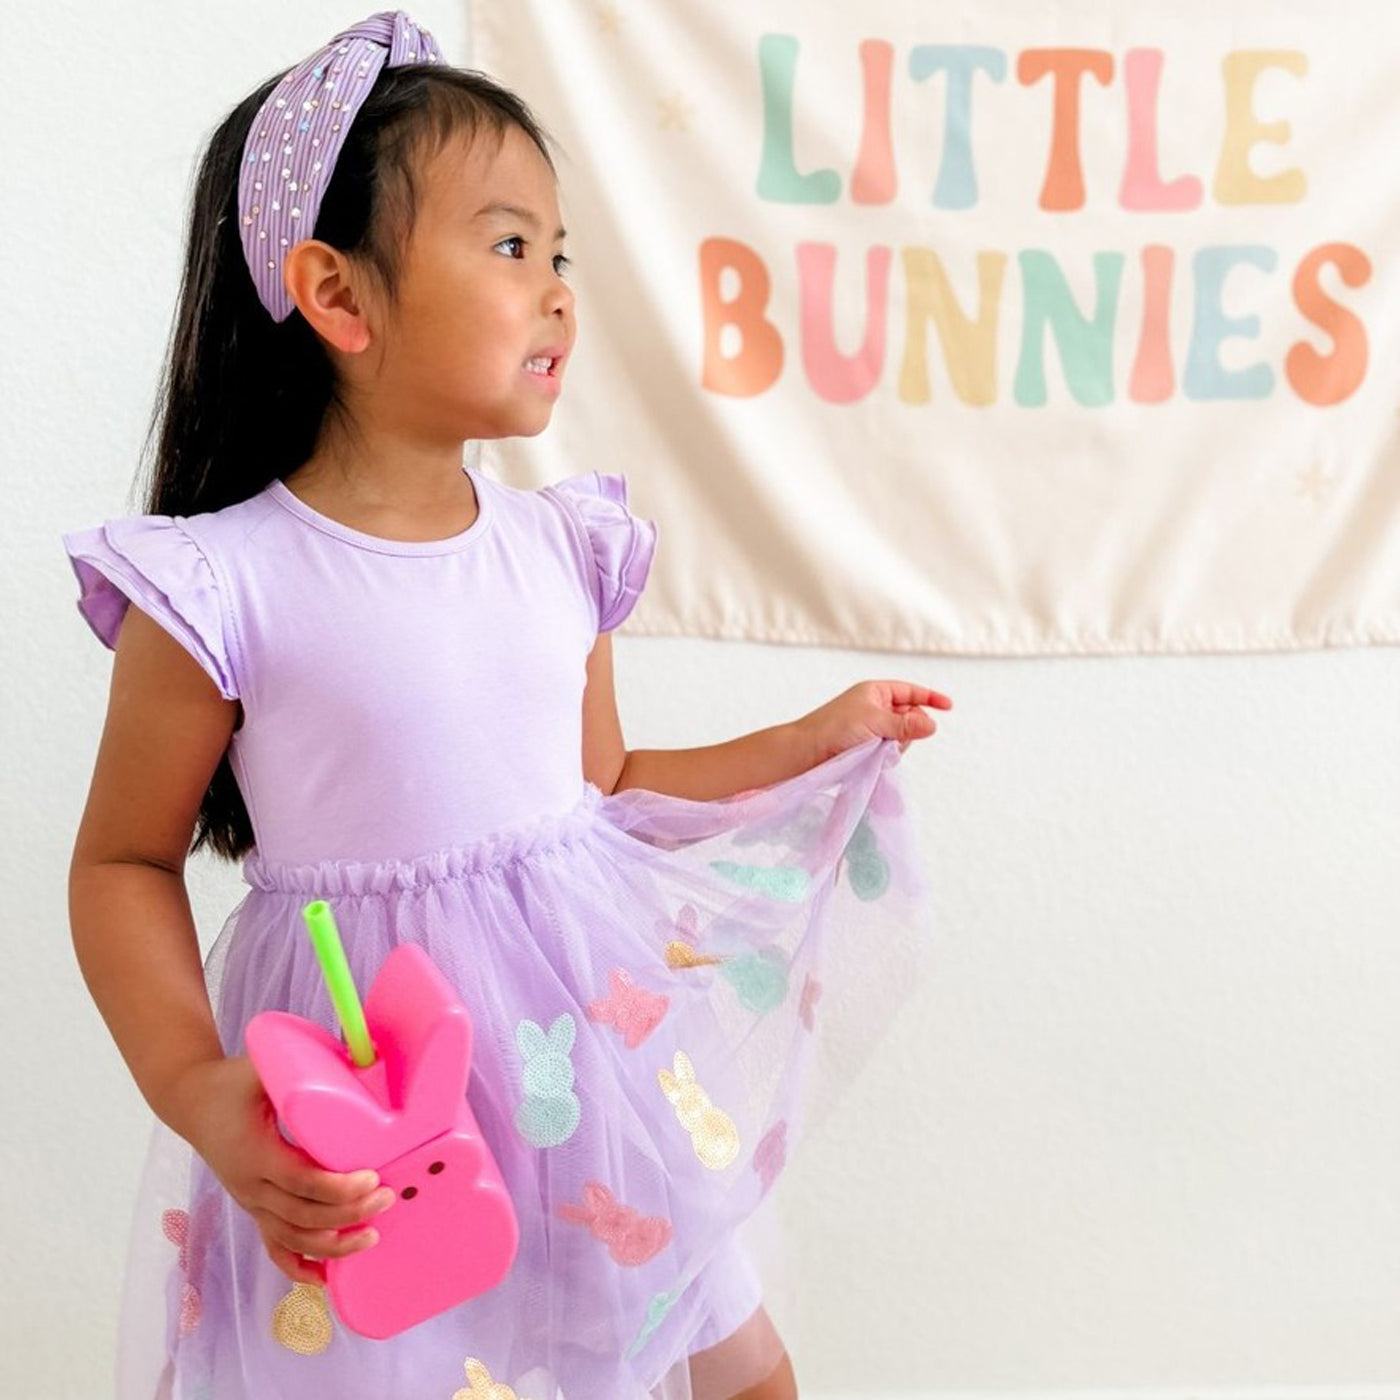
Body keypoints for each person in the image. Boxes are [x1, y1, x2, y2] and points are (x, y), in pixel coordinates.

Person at [61, 11, 952, 1399]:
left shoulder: (561, 549)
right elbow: (123, 862)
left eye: (560, 254)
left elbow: (605, 791)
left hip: (584, 1087)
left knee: (739, 1374)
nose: (557, 294)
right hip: (372, 1124)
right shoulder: (219, 586)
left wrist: (805, 740)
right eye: (510, 247)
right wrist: (197, 1090)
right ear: (339, 297)